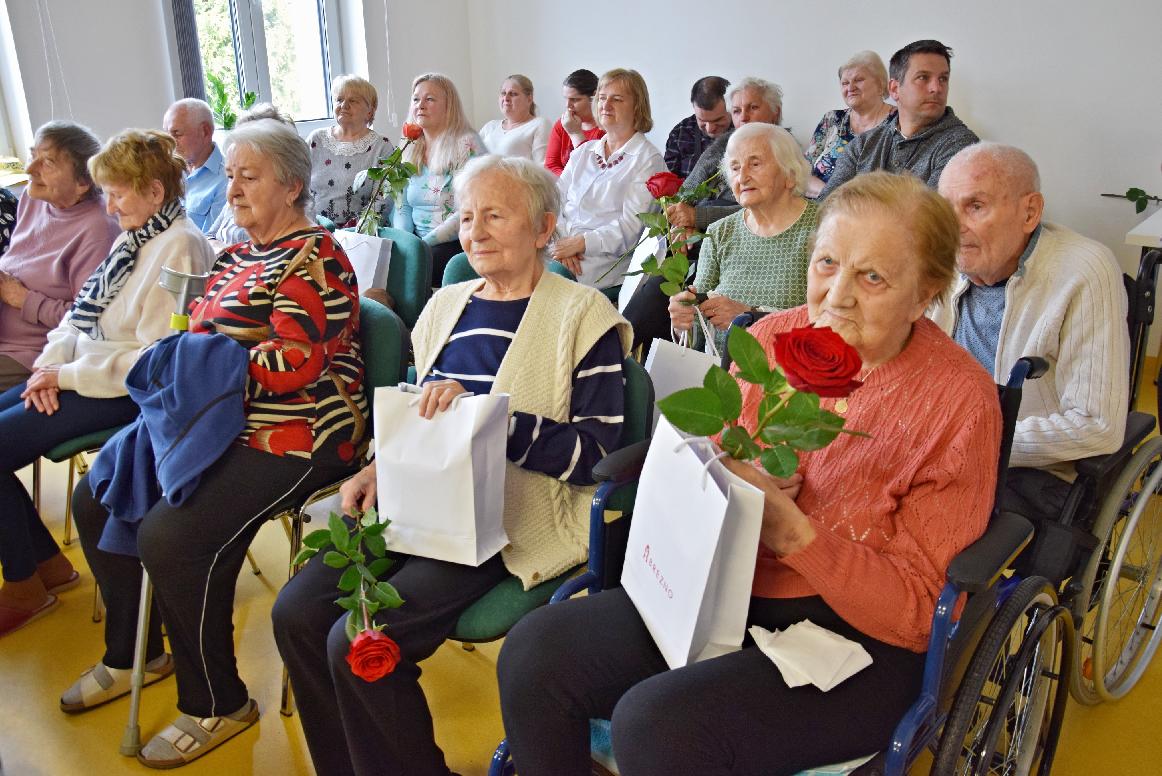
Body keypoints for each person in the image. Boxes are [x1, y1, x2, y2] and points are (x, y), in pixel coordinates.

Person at [498, 171, 1002, 776]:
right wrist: (727, 470)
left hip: (854, 639)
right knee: (533, 652)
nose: (836, 296)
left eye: (873, 277)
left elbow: (922, 613)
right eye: (826, 263)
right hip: (722, 588)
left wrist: (795, 535)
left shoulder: (959, 401)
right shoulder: (771, 336)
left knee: (657, 724)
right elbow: (706, 455)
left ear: (925, 294)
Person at [274, 154, 631, 776]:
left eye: (495, 215)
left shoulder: (581, 316)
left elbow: (597, 456)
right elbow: (420, 414)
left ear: (545, 228)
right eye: (467, 217)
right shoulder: (445, 304)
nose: (476, 231)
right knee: (296, 614)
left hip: (509, 517)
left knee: (360, 640)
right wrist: (379, 468)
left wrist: (494, 422)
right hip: (420, 499)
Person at [64, 119, 366, 769]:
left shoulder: (318, 257)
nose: (233, 188)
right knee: (96, 497)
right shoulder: (234, 254)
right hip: (214, 420)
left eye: (248, 176)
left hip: (301, 433)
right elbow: (191, 335)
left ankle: (217, 701)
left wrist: (204, 361)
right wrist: (192, 364)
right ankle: (136, 653)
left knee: (173, 536)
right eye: (229, 175)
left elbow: (294, 365)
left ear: (290, 186)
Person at [0, 129, 215, 639]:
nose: (110, 206)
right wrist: (46, 367)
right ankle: (46, 566)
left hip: (125, 396)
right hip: (80, 376)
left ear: (155, 193)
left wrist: (65, 374)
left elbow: (156, 359)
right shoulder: (133, 238)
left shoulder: (180, 247)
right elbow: (78, 317)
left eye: (118, 193)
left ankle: (26, 584)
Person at [931, 142, 1129, 525]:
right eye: (945, 208)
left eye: (975, 206)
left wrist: (971, 443)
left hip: (1031, 473)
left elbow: (1097, 425)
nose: (953, 227)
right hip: (939, 453)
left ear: (1030, 212)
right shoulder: (942, 263)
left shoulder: (1084, 271)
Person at [623, 77, 783, 349]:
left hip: (732, 247)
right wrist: (679, 224)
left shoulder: (782, 151)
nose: (743, 116)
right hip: (692, 245)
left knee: (665, 296)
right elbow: (684, 195)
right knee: (663, 294)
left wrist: (697, 219)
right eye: (737, 110)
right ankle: (621, 359)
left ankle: (614, 356)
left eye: (753, 108)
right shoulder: (722, 146)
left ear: (775, 113)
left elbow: (761, 208)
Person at [668, 123, 818, 353]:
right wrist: (683, 321)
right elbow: (698, 329)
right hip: (722, 373)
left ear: (790, 174)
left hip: (788, 377)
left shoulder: (823, 228)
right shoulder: (719, 232)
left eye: (755, 164)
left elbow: (831, 320)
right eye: (735, 168)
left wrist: (750, 318)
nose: (743, 177)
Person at [0, 121, 120, 391]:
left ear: (83, 181)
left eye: (48, 163)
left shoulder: (99, 229)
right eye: (33, 156)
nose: (30, 169)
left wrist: (23, 300)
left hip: (30, 353)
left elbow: (89, 321)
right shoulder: (33, 200)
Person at [820, 40, 978, 199]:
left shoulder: (963, 147)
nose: (936, 88)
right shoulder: (863, 145)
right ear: (895, 89)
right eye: (923, 77)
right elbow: (825, 206)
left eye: (943, 79)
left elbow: (930, 219)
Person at [553, 68, 666, 290]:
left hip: (601, 263)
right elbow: (552, 200)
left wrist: (580, 244)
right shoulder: (583, 152)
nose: (605, 105)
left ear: (637, 107)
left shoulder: (647, 160)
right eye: (602, 98)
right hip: (559, 249)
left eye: (617, 99)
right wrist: (561, 244)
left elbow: (632, 227)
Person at [392, 72, 485, 282]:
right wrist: (406, 242)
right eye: (416, 99)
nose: (420, 105)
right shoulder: (409, 145)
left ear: (448, 106)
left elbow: (469, 211)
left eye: (430, 99)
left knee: (418, 269)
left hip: (454, 241)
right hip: (417, 241)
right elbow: (401, 204)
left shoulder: (467, 144)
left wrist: (423, 245)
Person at [804, 51, 896, 198]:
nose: (850, 87)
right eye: (845, 83)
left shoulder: (898, 122)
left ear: (880, 84)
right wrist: (830, 196)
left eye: (858, 80)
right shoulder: (832, 119)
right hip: (817, 204)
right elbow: (801, 171)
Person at [306, 75, 394, 228]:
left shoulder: (382, 146)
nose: (344, 105)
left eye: (353, 101)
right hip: (316, 230)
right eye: (339, 100)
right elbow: (298, 187)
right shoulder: (316, 139)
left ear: (370, 111)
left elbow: (383, 199)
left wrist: (358, 230)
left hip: (360, 235)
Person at [204, 102, 295, 249]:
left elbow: (265, 251)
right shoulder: (237, 197)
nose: (233, 191)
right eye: (230, 176)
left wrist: (226, 253)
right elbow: (208, 237)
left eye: (249, 177)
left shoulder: (288, 206)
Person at [163, 98, 227, 232]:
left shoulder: (227, 179)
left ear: (205, 131)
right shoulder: (169, 172)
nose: (170, 143)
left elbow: (211, 242)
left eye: (177, 134)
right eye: (167, 135)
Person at [663, 76, 731, 177]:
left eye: (718, 120)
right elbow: (668, 181)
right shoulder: (680, 133)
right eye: (702, 120)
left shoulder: (746, 130)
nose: (710, 129)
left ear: (732, 106)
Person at [479, 74, 552, 164]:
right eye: (503, 93)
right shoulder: (490, 126)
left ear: (529, 99)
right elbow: (470, 158)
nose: (506, 98)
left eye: (513, 94)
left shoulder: (540, 124)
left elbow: (543, 168)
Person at [544, 69, 605, 176]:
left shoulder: (605, 129)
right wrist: (569, 184)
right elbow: (550, 165)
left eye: (575, 100)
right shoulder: (562, 124)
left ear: (594, 98)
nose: (567, 105)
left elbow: (594, 172)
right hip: (563, 188)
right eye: (566, 99)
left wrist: (575, 133)